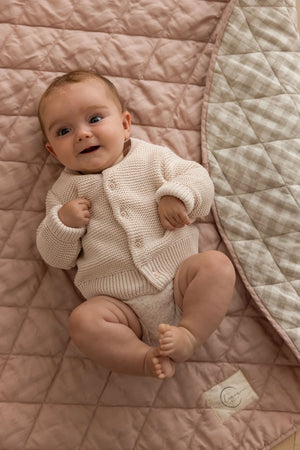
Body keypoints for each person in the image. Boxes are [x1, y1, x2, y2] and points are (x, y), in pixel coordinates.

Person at [36, 70, 235, 379]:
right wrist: (64, 224)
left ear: (125, 125)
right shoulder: (62, 194)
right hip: (119, 308)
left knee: (217, 266)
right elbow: (55, 257)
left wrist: (177, 195)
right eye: (63, 131)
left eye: (95, 119)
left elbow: (199, 179)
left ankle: (190, 334)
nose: (82, 134)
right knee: (82, 322)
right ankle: (144, 358)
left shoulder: (152, 158)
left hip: (180, 282)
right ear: (52, 150)